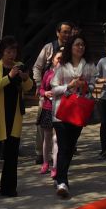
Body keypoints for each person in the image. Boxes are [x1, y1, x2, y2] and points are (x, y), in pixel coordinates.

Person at [0, 36, 34, 202]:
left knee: (11, 155)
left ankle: (8, 188)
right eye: (8, 51)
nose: (11, 54)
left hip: (14, 116)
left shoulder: (19, 66)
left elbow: (28, 87)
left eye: (14, 51)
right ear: (2, 52)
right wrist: (9, 76)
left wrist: (25, 78)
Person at [50, 34, 98, 199]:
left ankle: (59, 176)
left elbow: (94, 85)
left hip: (78, 111)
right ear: (70, 47)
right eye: (77, 45)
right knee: (63, 146)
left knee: (70, 147)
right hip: (62, 111)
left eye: (82, 45)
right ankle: (62, 181)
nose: (80, 48)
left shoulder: (89, 66)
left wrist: (85, 85)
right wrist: (68, 86)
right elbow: (53, 88)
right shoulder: (62, 67)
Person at [31, 21, 74, 164]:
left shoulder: (73, 48)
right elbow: (37, 67)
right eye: (64, 32)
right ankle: (40, 152)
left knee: (65, 123)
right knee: (43, 124)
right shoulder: (49, 48)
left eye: (69, 32)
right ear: (57, 32)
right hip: (48, 91)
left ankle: (62, 152)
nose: (67, 35)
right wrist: (38, 85)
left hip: (65, 93)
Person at [36, 49, 63, 175]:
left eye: (62, 59)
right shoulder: (48, 73)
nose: (60, 61)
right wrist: (45, 93)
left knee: (56, 138)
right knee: (46, 137)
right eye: (58, 58)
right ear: (53, 60)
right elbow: (41, 89)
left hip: (60, 108)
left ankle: (55, 166)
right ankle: (45, 163)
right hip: (47, 107)